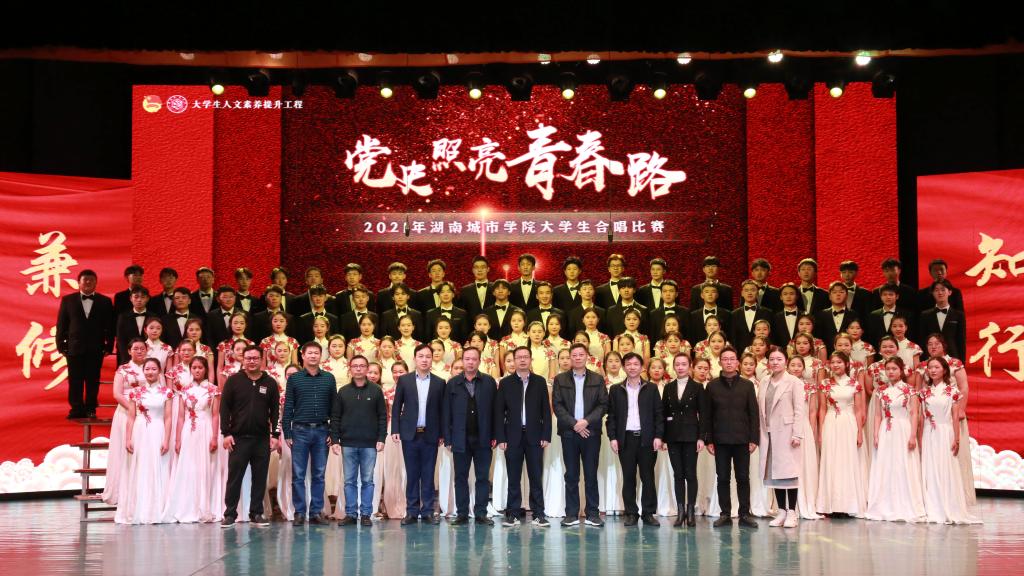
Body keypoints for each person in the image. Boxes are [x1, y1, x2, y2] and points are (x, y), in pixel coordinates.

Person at [219, 345, 279, 527]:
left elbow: (275, 411)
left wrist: (275, 435)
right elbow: (224, 408)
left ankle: (256, 513)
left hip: (261, 439)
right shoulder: (233, 381)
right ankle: (230, 514)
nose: (251, 361)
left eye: (255, 358)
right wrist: (226, 433)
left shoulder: (270, 383)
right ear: (242, 360)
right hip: (238, 438)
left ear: (262, 360)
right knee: (234, 478)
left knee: (260, 478)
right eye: (248, 358)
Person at [919, 357, 980, 524]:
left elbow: (955, 416)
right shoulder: (924, 392)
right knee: (930, 468)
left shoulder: (952, 391)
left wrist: (957, 438)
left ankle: (948, 505)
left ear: (944, 370)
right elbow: (922, 417)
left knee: (946, 467)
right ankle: (931, 506)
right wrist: (919, 437)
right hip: (929, 433)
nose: (933, 370)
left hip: (946, 432)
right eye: (930, 367)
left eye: (937, 367)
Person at [495, 346, 551, 527]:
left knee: (536, 477)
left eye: (525, 357)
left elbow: (546, 410)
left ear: (530, 359)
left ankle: (538, 513)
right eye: (518, 357)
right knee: (513, 477)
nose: (522, 360)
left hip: (535, 437)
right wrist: (501, 438)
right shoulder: (506, 383)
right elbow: (499, 412)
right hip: (512, 437)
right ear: (513, 360)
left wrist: (546, 434)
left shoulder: (540, 382)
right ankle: (512, 513)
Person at [865, 357, 926, 523]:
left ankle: (905, 504)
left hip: (903, 429)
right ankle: (884, 504)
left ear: (901, 371)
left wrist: (912, 435)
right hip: (886, 430)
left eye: (894, 369)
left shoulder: (910, 390)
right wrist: (876, 434)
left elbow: (914, 413)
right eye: (888, 369)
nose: (891, 372)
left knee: (903, 464)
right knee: (886, 465)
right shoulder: (880, 391)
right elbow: (878, 415)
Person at [606, 352, 664, 527]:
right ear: (624, 367)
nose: (632, 367)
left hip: (647, 439)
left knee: (648, 477)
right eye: (629, 364)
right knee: (629, 477)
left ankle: (648, 513)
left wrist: (658, 436)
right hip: (626, 439)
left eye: (635, 364)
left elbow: (659, 415)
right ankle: (631, 513)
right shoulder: (616, 389)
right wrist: (613, 437)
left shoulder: (651, 388)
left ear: (642, 367)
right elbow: (611, 416)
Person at [281, 342, 335, 526]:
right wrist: (287, 432)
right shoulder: (295, 379)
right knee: (298, 474)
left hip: (322, 430)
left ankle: (316, 512)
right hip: (300, 431)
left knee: (319, 474)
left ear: (321, 356)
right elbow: (288, 405)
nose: (313, 356)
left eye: (316, 353)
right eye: (309, 353)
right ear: (302, 355)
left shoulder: (329, 378)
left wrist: (333, 432)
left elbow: (334, 407)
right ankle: (299, 512)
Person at [391, 344, 446, 525]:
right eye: (421, 356)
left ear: (432, 359)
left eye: (428, 356)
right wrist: (395, 429)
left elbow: (442, 411)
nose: (424, 360)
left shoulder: (439, 382)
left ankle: (428, 511)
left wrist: (443, 433)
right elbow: (397, 406)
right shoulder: (404, 380)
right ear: (414, 359)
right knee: (412, 474)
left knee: (428, 474)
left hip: (431, 434)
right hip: (410, 434)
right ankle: (412, 511)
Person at [442, 346, 497, 525]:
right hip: (460, 439)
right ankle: (462, 514)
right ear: (462, 361)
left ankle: (481, 513)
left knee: (482, 478)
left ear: (479, 361)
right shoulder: (452, 383)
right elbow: (446, 413)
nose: (470, 362)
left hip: (483, 438)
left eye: (474, 359)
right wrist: (448, 438)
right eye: (467, 359)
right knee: (460, 477)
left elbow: (496, 411)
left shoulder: (489, 382)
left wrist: (496, 435)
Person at [705, 347, 760, 528]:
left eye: (732, 359)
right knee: (722, 478)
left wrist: (754, 439)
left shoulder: (747, 385)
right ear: (719, 362)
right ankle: (725, 514)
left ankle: (744, 514)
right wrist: (709, 440)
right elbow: (708, 415)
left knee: (743, 478)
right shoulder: (712, 386)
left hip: (742, 440)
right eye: (725, 359)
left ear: (737, 362)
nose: (728, 362)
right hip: (720, 440)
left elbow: (753, 414)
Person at [115, 357, 173, 524]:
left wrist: (166, 439)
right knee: (140, 468)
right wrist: (128, 438)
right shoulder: (135, 392)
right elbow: (131, 417)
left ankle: (157, 509)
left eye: (154, 369)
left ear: (159, 371)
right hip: (139, 431)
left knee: (158, 467)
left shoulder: (167, 392)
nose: (150, 372)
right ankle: (138, 509)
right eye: (147, 369)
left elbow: (168, 418)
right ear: (143, 371)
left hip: (158, 430)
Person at [331, 355, 387, 526]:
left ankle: (366, 514)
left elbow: (382, 416)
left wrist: (381, 438)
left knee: (367, 480)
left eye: (362, 366)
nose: (358, 369)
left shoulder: (376, 390)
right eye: (355, 366)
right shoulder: (343, 391)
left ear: (367, 368)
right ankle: (350, 514)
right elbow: (335, 417)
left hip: (369, 444)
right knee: (349, 481)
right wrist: (335, 440)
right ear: (350, 369)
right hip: (348, 443)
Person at [164, 356, 221, 523]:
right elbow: (181, 417)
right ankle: (188, 506)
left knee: (206, 467)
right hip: (189, 430)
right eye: (194, 368)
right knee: (189, 467)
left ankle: (206, 506)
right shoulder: (185, 390)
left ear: (205, 370)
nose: (197, 370)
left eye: (200, 367)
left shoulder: (213, 390)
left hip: (206, 428)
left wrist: (214, 436)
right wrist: (178, 439)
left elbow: (215, 415)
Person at [56, 269, 115, 419]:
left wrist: (109, 346)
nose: (88, 282)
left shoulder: (105, 301)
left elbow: (110, 326)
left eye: (91, 280)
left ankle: (90, 408)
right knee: (75, 380)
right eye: (85, 280)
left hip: (96, 348)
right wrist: (61, 346)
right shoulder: (68, 300)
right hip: (74, 348)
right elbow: (62, 324)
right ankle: (76, 409)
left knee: (92, 380)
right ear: (79, 283)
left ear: (96, 283)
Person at [759, 348, 806, 528]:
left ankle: (792, 512)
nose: (775, 362)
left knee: (789, 473)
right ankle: (781, 511)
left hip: (786, 433)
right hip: (768, 433)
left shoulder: (794, 382)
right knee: (774, 473)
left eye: (779, 359)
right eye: (772, 359)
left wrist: (797, 434)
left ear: (785, 361)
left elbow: (799, 410)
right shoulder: (764, 381)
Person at [816, 351, 867, 517]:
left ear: (846, 364)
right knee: (831, 460)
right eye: (833, 362)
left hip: (848, 423)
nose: (835, 365)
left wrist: (859, 432)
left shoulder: (854, 384)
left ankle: (848, 505)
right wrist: (820, 431)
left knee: (847, 461)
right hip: (830, 422)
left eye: (839, 362)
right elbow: (822, 409)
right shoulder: (825, 383)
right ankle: (830, 505)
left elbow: (858, 410)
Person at [102, 338, 147, 505]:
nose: (139, 351)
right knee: (126, 448)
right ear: (129, 351)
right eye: (136, 348)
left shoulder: (151, 367)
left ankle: (142, 491)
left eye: (142, 348)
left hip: (147, 413)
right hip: (126, 412)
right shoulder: (123, 369)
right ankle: (123, 491)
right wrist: (133, 409)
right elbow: (117, 394)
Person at [918, 280, 967, 361]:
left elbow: (961, 341)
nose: (940, 293)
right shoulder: (925, 315)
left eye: (943, 290)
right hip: (931, 359)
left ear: (950, 292)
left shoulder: (958, 315)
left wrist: (962, 362)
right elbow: (923, 340)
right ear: (932, 293)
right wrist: (924, 360)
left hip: (953, 358)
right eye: (936, 290)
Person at [814, 282, 860, 355]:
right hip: (826, 355)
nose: (838, 294)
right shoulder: (821, 315)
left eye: (841, 292)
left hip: (849, 355)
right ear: (830, 296)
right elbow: (818, 337)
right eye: (834, 292)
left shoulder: (854, 314)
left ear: (847, 296)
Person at [729, 280, 772, 355]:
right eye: (746, 290)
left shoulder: (767, 313)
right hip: (740, 355)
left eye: (753, 290)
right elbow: (733, 337)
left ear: (757, 293)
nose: (749, 293)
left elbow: (771, 336)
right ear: (742, 293)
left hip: (763, 354)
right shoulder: (734, 314)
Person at [116, 286, 150, 365]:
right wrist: (127, 359)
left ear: (147, 299)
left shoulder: (153, 317)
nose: (139, 300)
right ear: (131, 298)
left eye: (142, 297)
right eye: (136, 297)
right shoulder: (123, 317)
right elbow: (120, 340)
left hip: (149, 360)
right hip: (128, 359)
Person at [458, 256, 495, 320]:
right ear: (473, 270)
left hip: (492, 325)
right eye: (476, 267)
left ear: (488, 269)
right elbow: (462, 314)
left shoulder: (495, 288)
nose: (479, 270)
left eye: (483, 267)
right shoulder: (465, 290)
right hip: (471, 325)